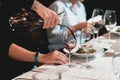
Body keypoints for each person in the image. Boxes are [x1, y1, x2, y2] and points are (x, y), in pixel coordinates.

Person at [0, 0, 68, 79]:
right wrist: (40, 57)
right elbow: (3, 45)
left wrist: (34, 5)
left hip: (30, 68)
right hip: (10, 73)